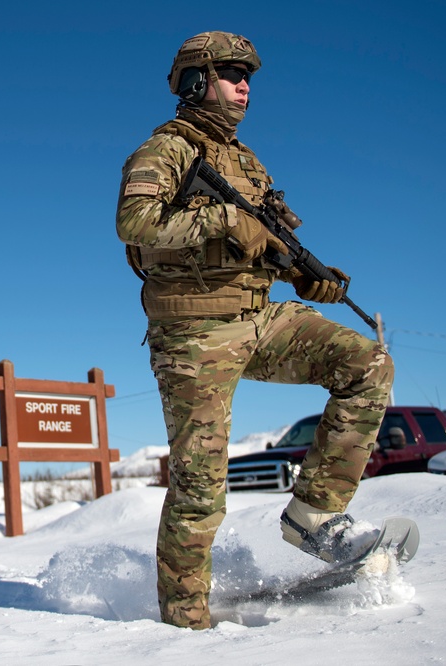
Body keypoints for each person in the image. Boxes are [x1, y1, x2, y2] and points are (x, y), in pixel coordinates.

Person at [115, 31, 394, 629]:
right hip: (193, 335)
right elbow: (135, 223)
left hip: (259, 317)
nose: (245, 85)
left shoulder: (247, 161)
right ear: (196, 80)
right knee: (200, 485)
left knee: (367, 364)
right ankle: (184, 627)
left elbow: (266, 241)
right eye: (232, 72)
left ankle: (316, 514)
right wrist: (222, 219)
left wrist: (305, 275)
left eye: (249, 75)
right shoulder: (163, 150)